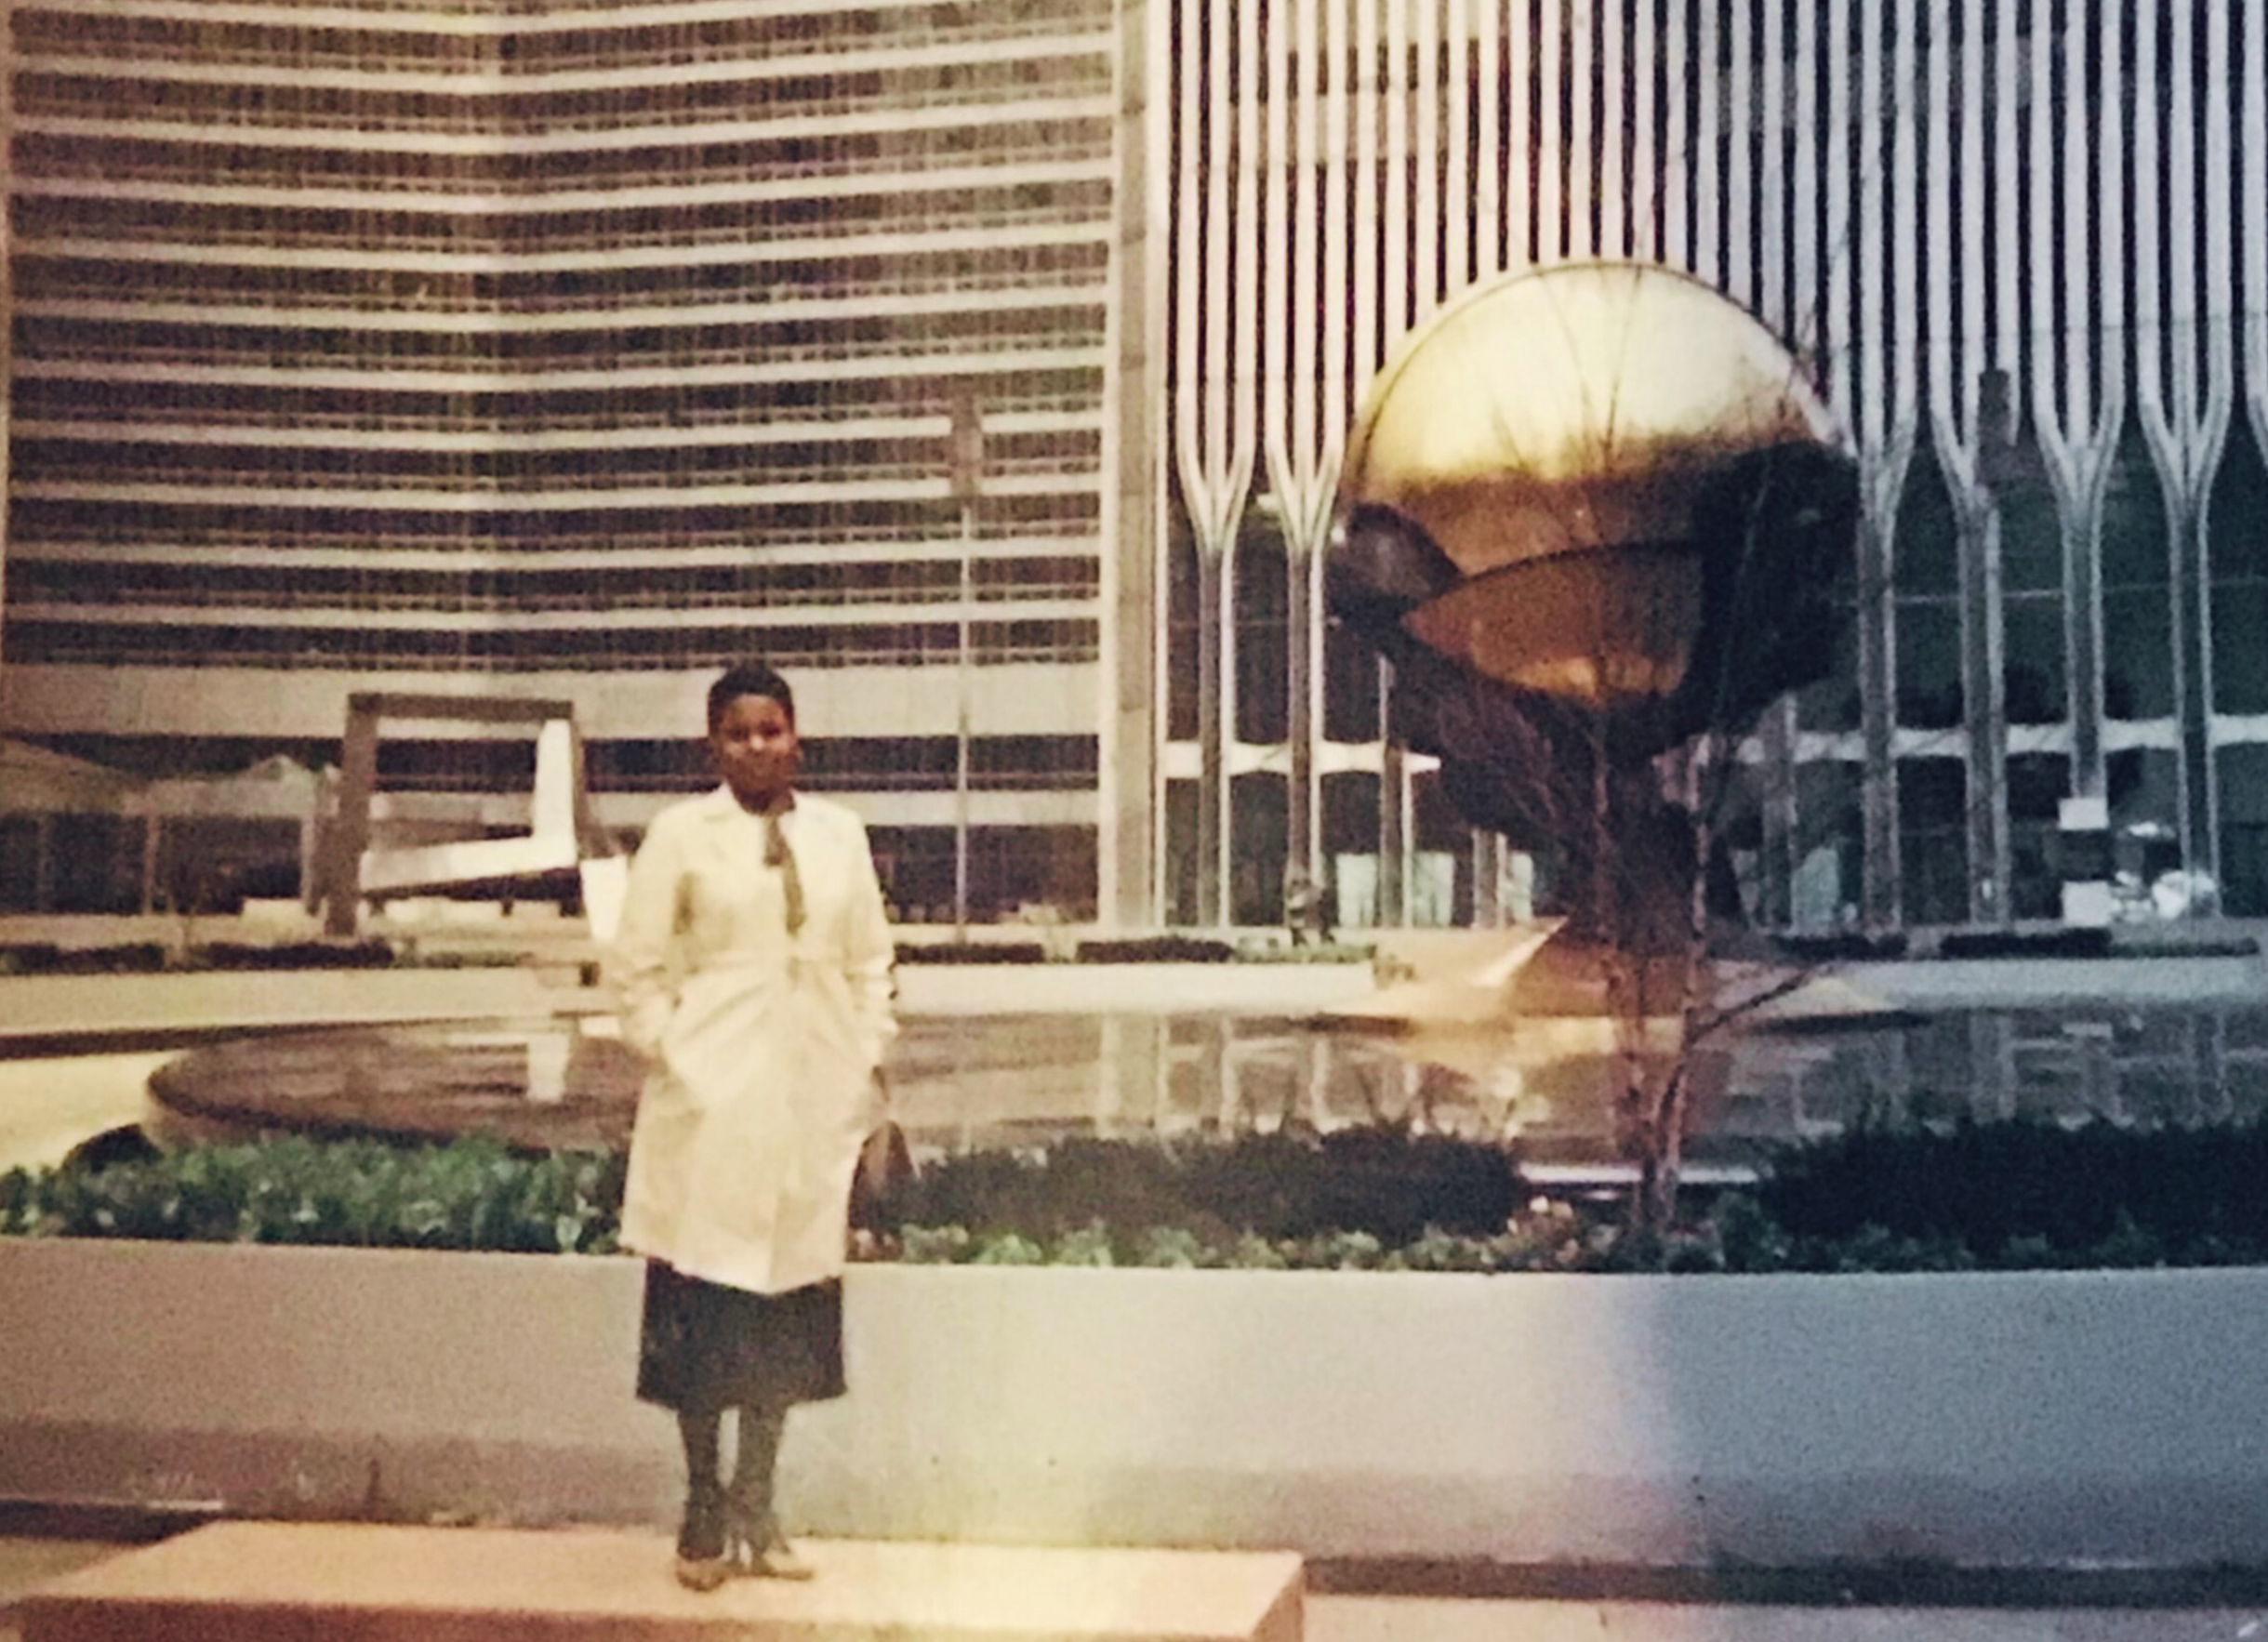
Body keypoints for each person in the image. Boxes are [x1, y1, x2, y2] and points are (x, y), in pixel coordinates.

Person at [606, 661, 895, 1590]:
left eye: (771, 730)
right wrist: (678, 1054)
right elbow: (635, 968)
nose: (756, 747)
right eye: (737, 733)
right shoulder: (679, 835)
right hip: (711, 1104)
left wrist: (861, 1052)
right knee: (704, 1310)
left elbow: (870, 960)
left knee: (786, 1313)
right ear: (713, 745)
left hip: (811, 1099)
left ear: (796, 738)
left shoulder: (840, 834)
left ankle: (759, 1506)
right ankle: (702, 1508)